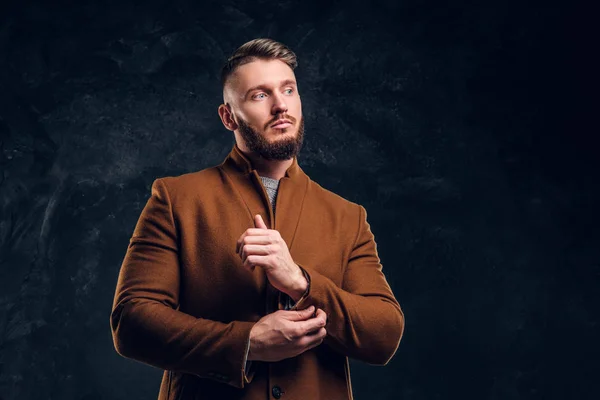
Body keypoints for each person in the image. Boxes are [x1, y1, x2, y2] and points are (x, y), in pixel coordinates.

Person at [110, 38, 405, 400]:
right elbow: (132, 321)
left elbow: (385, 334)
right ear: (228, 116)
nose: (281, 105)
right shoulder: (176, 199)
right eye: (259, 95)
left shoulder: (347, 216)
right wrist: (246, 343)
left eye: (289, 90)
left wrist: (301, 282)